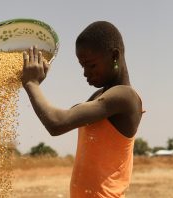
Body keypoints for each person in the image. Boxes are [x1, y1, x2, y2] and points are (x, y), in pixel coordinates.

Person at [22, 21, 144, 198]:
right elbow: (60, 116)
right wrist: (36, 82)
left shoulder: (125, 97)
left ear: (115, 56)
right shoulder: (98, 96)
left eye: (91, 65)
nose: (85, 73)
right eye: (82, 66)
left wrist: (31, 84)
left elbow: (56, 123)